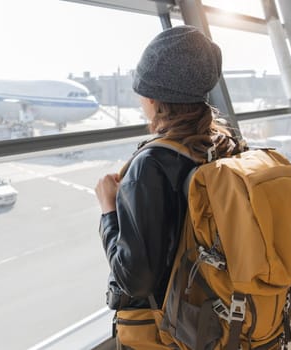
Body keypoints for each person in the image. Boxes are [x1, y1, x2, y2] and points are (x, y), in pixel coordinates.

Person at [95, 25, 246, 315]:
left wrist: (108, 210)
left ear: (152, 97)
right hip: (226, 305)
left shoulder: (150, 165)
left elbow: (135, 281)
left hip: (182, 327)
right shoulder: (227, 143)